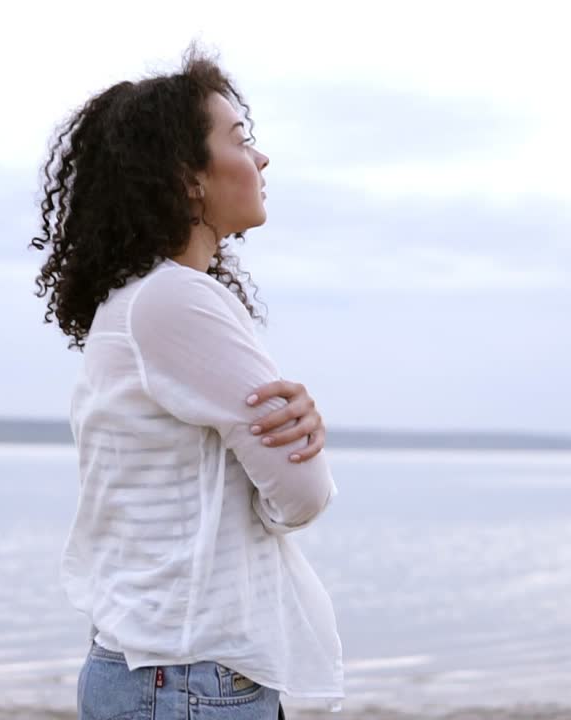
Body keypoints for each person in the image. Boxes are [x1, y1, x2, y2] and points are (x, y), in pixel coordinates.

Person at [30, 43, 344, 719]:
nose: (260, 158)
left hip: (163, 671)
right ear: (189, 179)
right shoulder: (175, 301)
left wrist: (281, 460)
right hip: (188, 681)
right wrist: (296, 460)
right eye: (240, 139)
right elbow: (302, 495)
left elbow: (263, 486)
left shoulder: (145, 302)